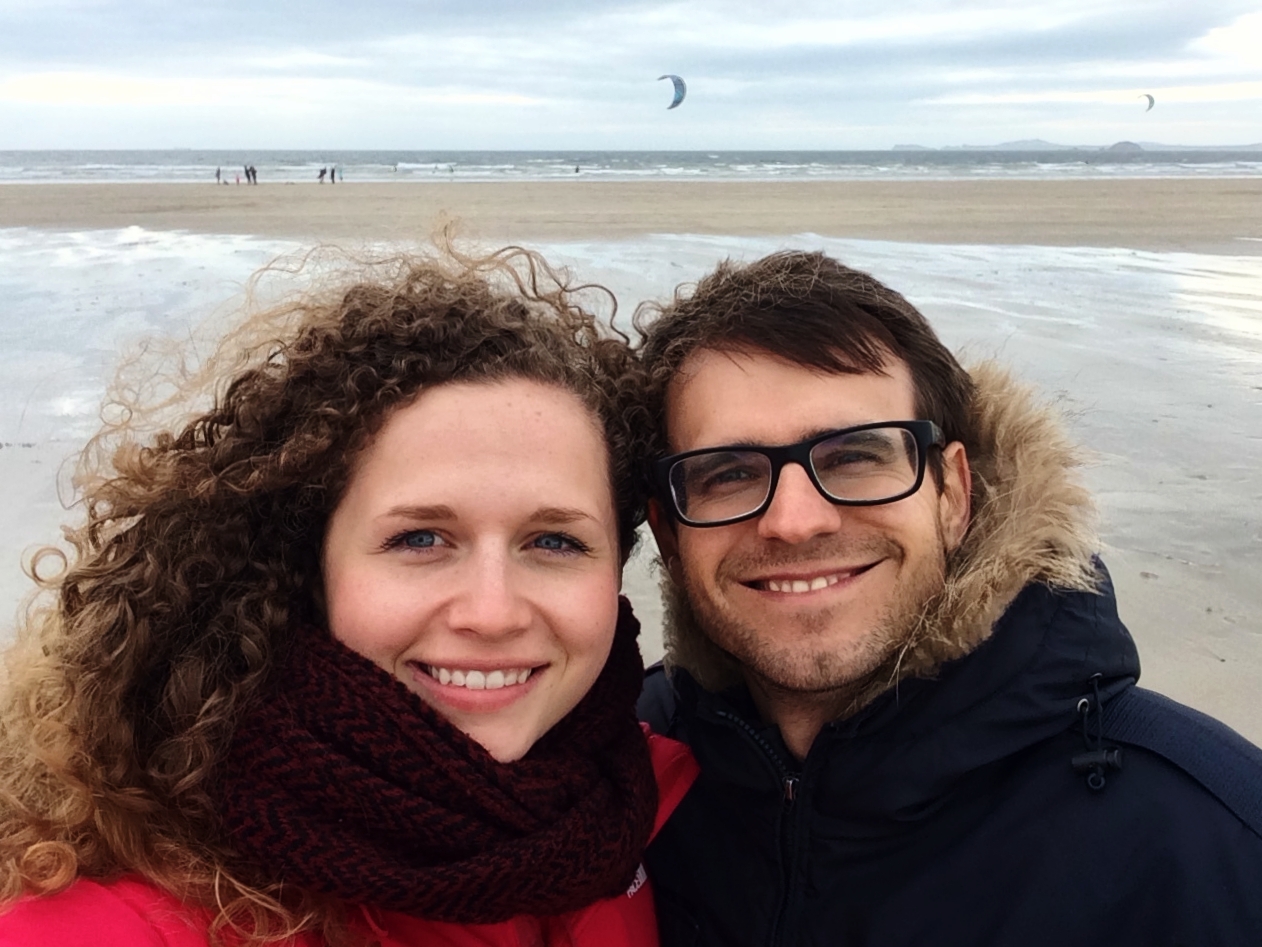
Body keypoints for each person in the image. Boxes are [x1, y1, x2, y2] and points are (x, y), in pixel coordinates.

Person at [0, 247, 696, 947]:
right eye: (420, 538)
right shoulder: (120, 924)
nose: (492, 613)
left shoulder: (655, 808)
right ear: (310, 568)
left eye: (554, 541)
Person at [634, 250, 1262, 946]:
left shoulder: (1217, 848)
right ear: (667, 534)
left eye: (854, 455)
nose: (796, 520)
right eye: (728, 473)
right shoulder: (620, 776)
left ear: (954, 495)